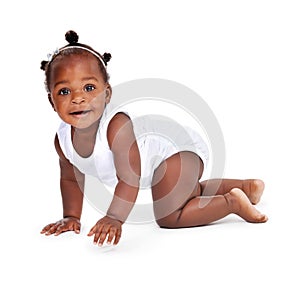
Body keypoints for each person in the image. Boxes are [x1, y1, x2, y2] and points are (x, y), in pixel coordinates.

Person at [40, 30, 268, 247]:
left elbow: (130, 179)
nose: (78, 98)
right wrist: (71, 216)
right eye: (64, 91)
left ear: (107, 94)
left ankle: (232, 202)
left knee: (169, 215)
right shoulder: (62, 141)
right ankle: (247, 188)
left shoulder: (116, 127)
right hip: (167, 162)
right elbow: (71, 178)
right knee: (183, 193)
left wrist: (114, 217)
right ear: (52, 102)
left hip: (176, 151)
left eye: (89, 87)